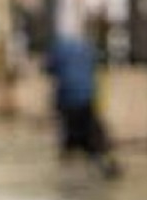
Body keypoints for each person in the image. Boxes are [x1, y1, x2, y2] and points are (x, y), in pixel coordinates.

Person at [44, 33, 120, 178]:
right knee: (90, 136)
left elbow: (49, 69)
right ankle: (103, 165)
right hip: (86, 98)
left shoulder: (59, 50)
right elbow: (97, 67)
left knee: (79, 137)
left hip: (69, 100)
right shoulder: (87, 50)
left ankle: (72, 170)